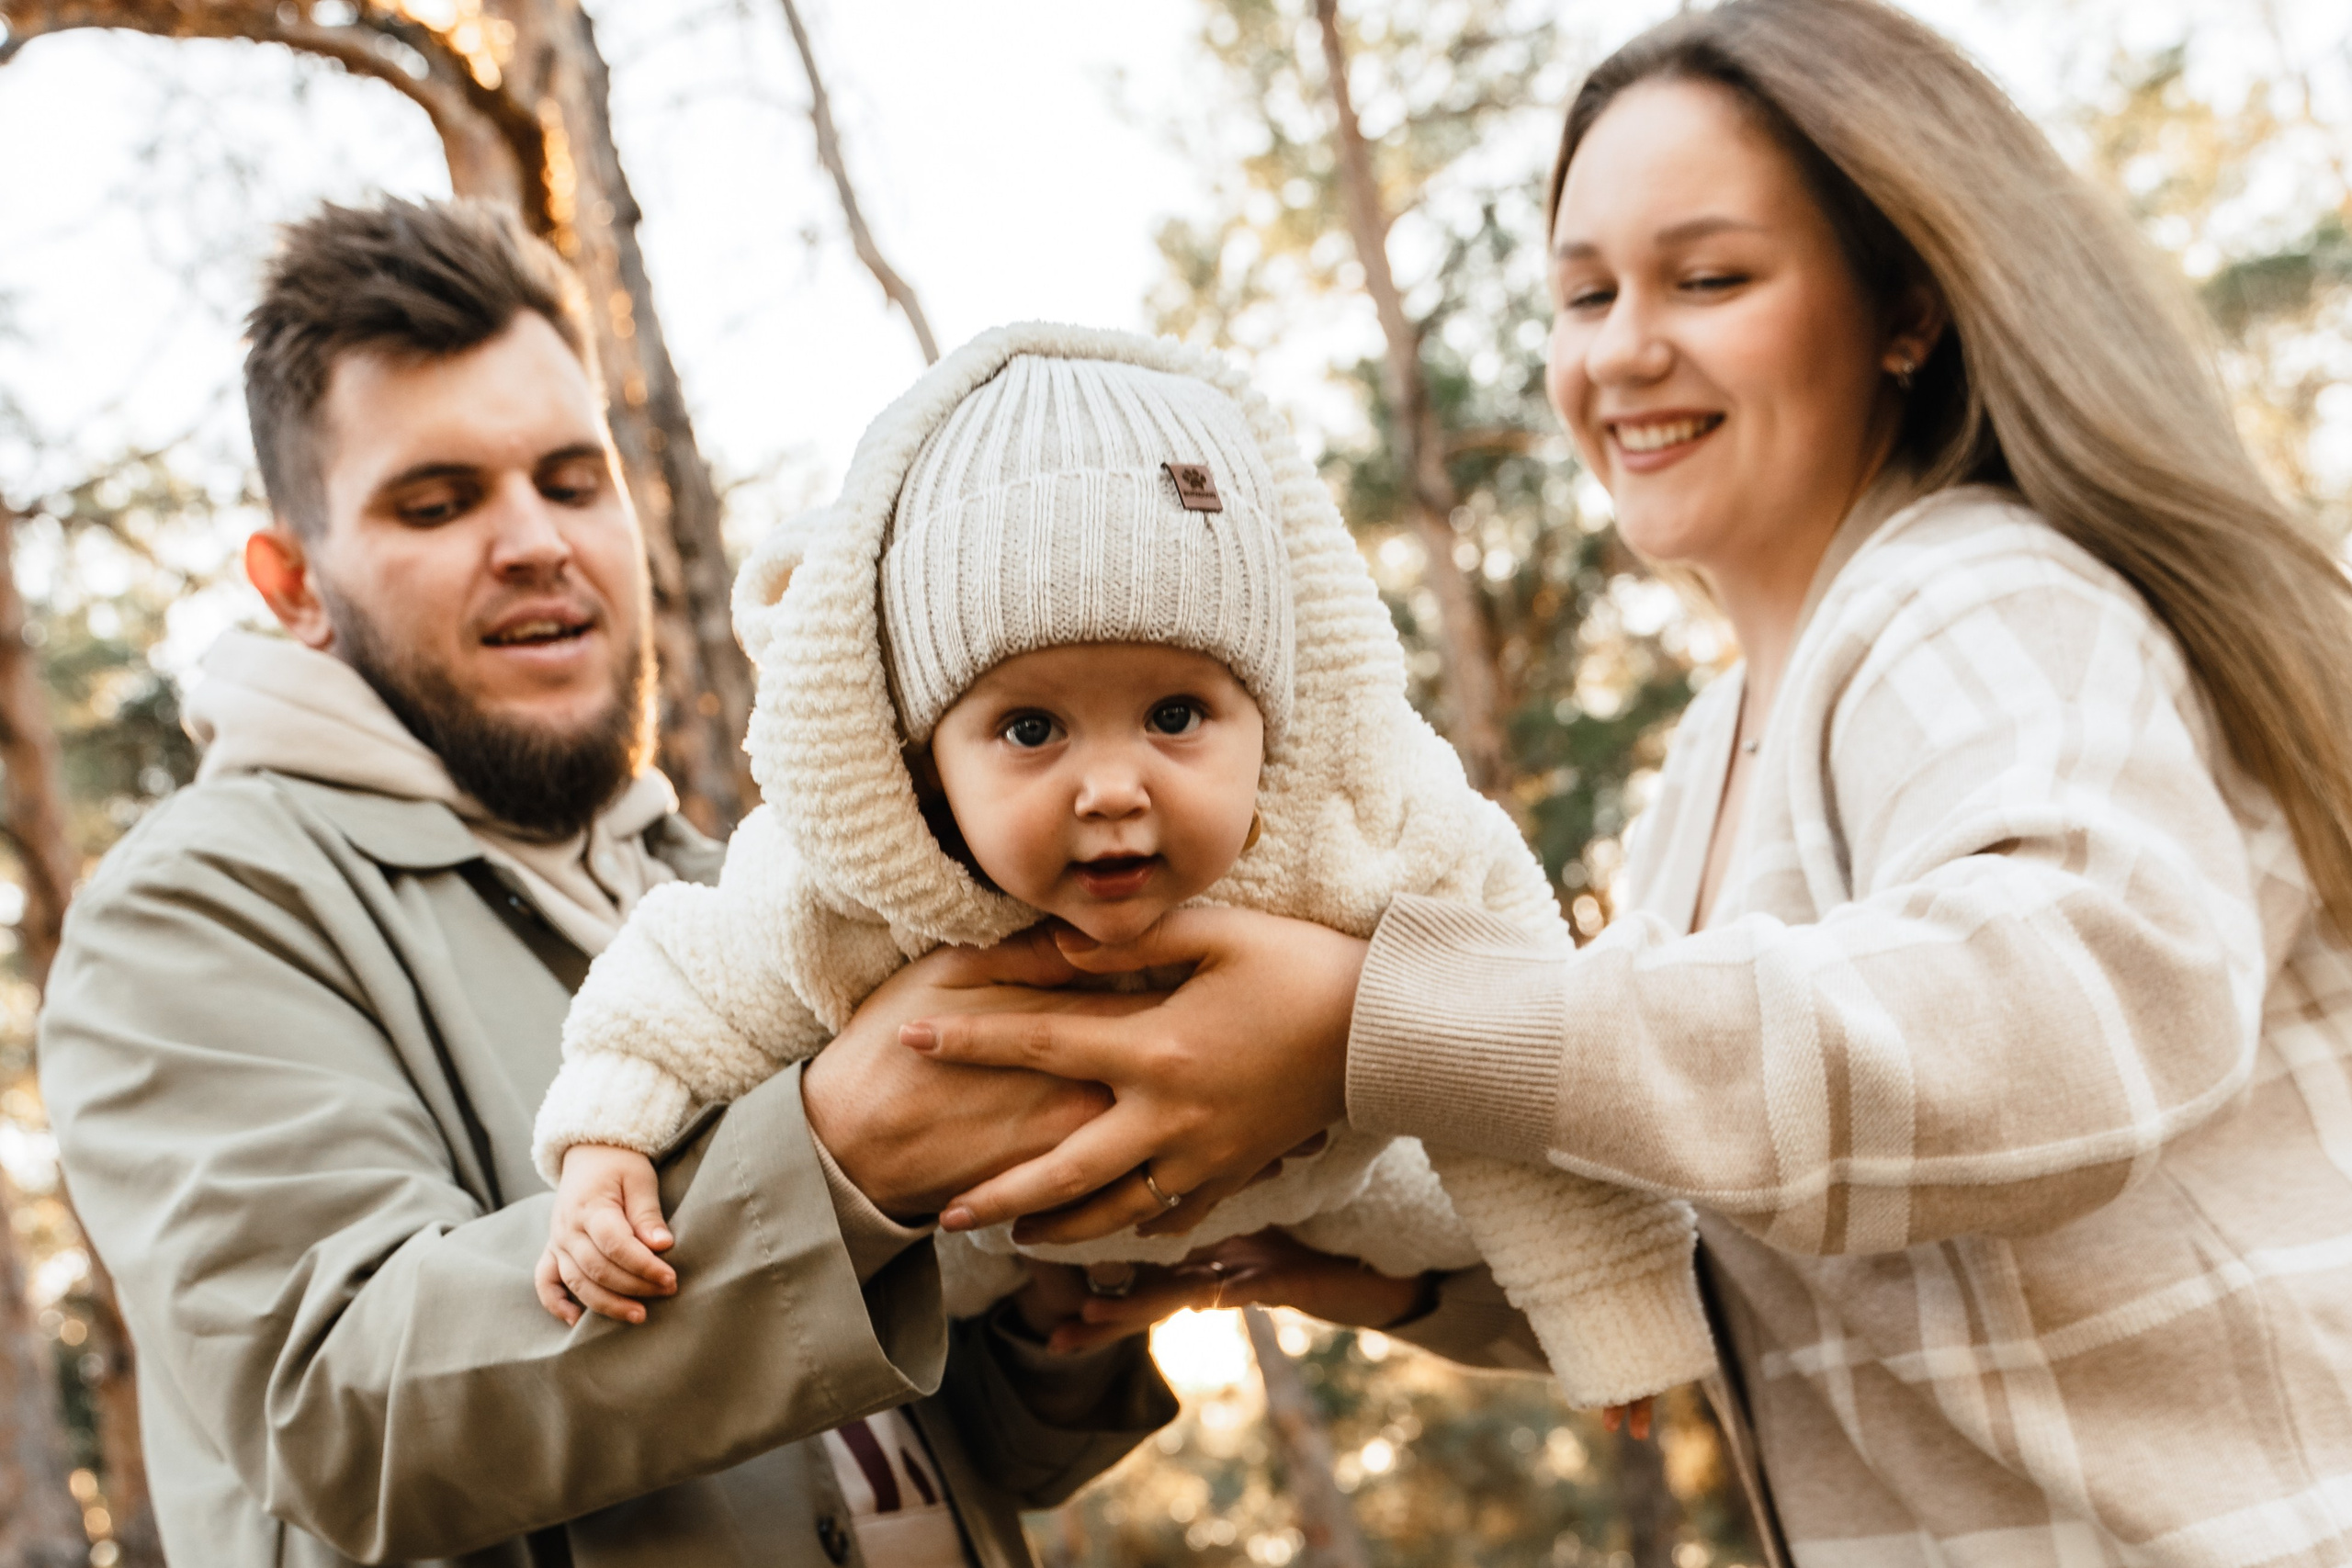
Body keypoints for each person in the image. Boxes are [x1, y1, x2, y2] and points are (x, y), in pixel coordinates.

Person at [891, 2, 2352, 1562]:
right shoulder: (1709, 774)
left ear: (1905, 309)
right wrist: (1335, 1250)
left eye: (1708, 278)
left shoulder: (1975, 599)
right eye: (1584, 293)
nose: (1622, 348)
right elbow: (1779, 1216)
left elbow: (2062, 1021)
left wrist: (1376, 1018)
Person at [36, 197, 1181, 1567]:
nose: (536, 540)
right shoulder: (194, 908)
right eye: (438, 500)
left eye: (571, 481)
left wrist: (1068, 1312)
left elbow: (966, 1450)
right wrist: (836, 1159)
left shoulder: (719, 894)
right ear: (294, 585)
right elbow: (340, 1413)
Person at [528, 322, 1717, 1414]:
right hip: (989, 1235)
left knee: (1438, 1205)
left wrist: (1617, 1319)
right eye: (1032, 731)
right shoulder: (848, 887)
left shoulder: (1363, 831)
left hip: (1314, 1186)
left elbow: (1507, 1044)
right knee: (895, 1302)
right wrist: (602, 1152)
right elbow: (679, 986)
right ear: (928, 762)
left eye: (1176, 712)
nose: (1112, 789)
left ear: (1271, 714)